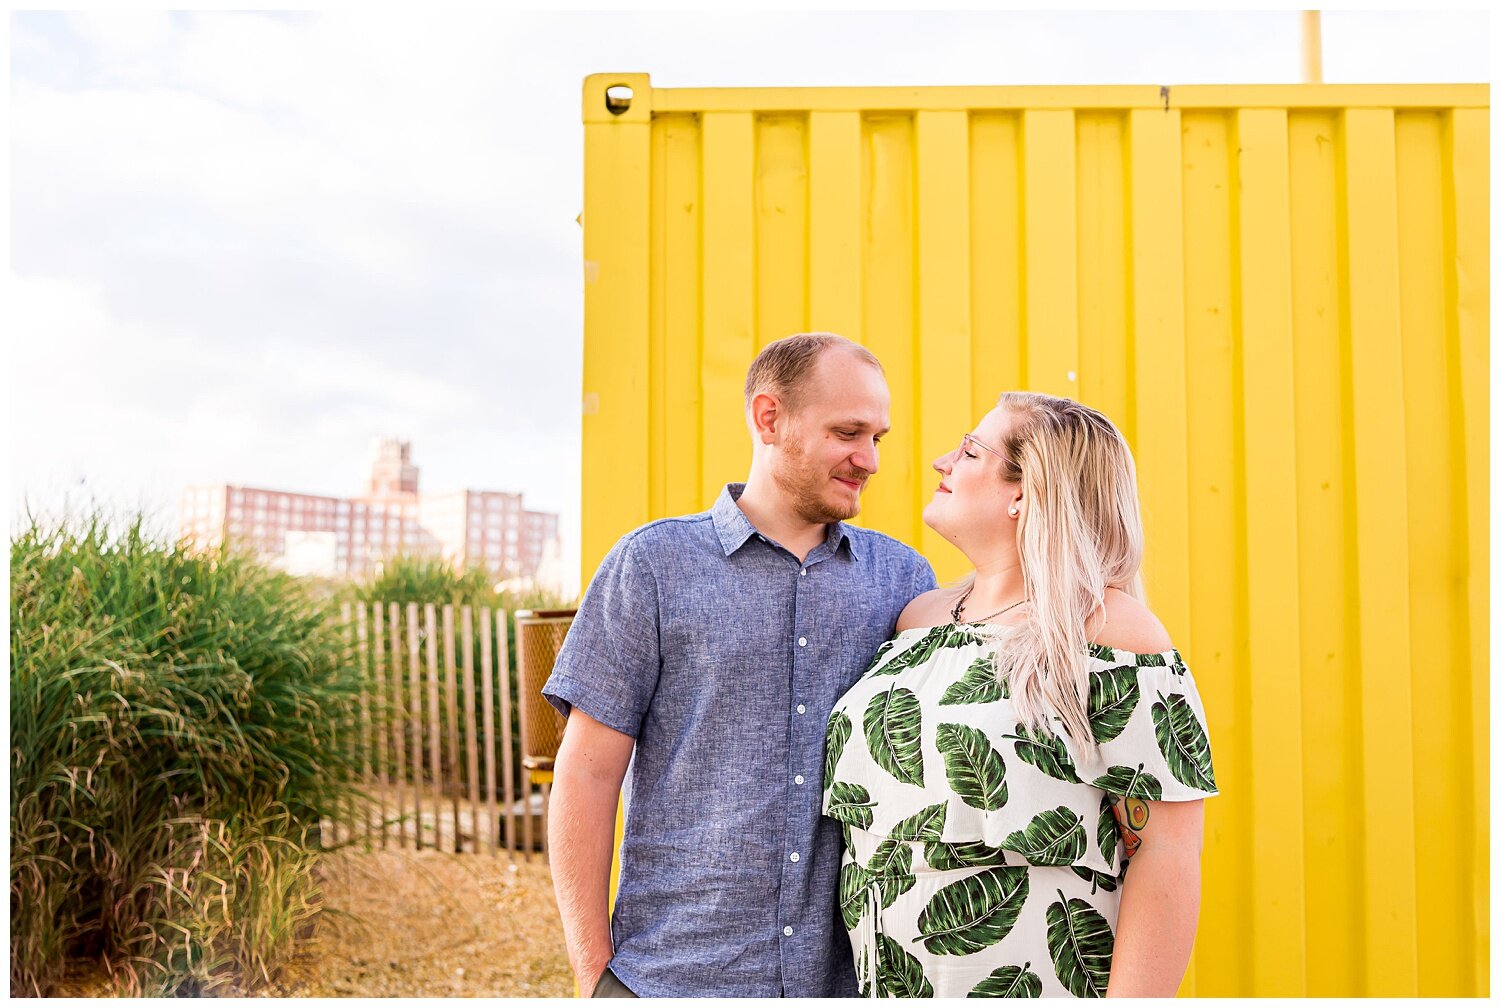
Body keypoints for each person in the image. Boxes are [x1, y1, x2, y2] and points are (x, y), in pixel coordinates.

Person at [543, 332, 937, 997]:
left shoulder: (902, 580)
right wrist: (594, 977)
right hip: (674, 977)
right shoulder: (652, 567)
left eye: (879, 437)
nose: (869, 459)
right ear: (768, 417)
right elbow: (585, 773)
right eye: (849, 432)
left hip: (845, 984)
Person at [823, 391, 1218, 998]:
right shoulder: (917, 623)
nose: (941, 461)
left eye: (971, 451)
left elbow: (1166, 852)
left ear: (1025, 492)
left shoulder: (1108, 631)